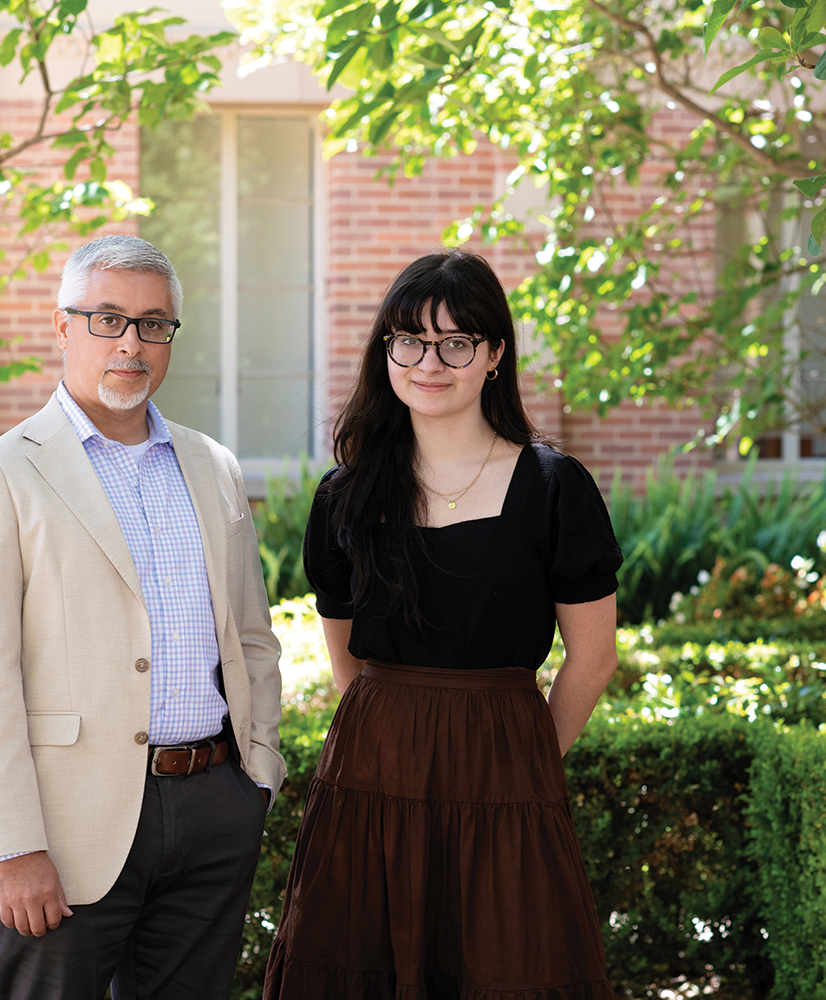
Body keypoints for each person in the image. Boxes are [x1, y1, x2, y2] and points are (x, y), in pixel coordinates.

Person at [263, 249, 622, 999]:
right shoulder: (346, 496)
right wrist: (395, 744)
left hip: (507, 771)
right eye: (410, 341)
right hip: (372, 775)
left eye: (456, 342)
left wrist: (523, 760)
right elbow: (345, 652)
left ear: (493, 355)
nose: (430, 362)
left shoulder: (554, 488)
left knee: (506, 967)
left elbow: (592, 659)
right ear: (386, 351)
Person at [0, 234, 285, 1000]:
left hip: (212, 807)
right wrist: (10, 847)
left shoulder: (213, 466)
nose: (131, 342)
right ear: (63, 328)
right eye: (107, 319)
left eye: (153, 323)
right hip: (64, 831)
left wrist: (257, 770)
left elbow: (252, 634)